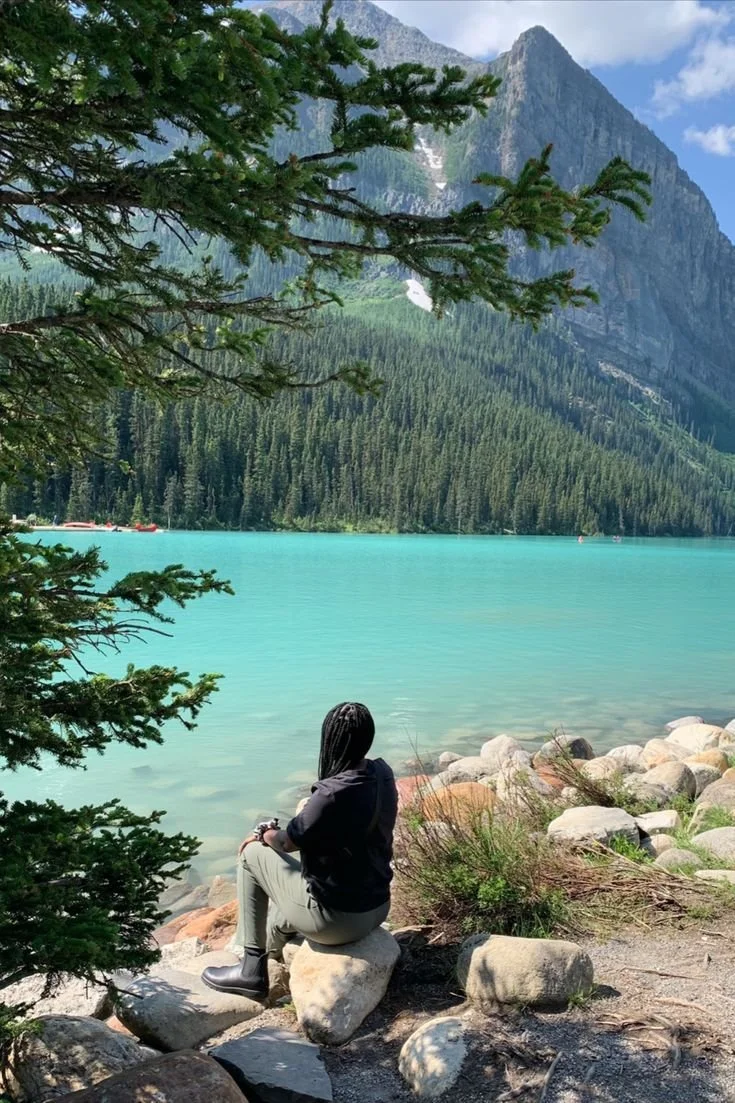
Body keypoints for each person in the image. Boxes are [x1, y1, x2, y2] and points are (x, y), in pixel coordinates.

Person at [202, 701, 398, 999]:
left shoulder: (331, 795)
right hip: (378, 905)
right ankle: (276, 943)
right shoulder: (382, 774)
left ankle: (251, 971)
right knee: (288, 900)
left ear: (330, 739)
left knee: (251, 854)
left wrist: (262, 831)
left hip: (338, 921)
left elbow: (284, 843)